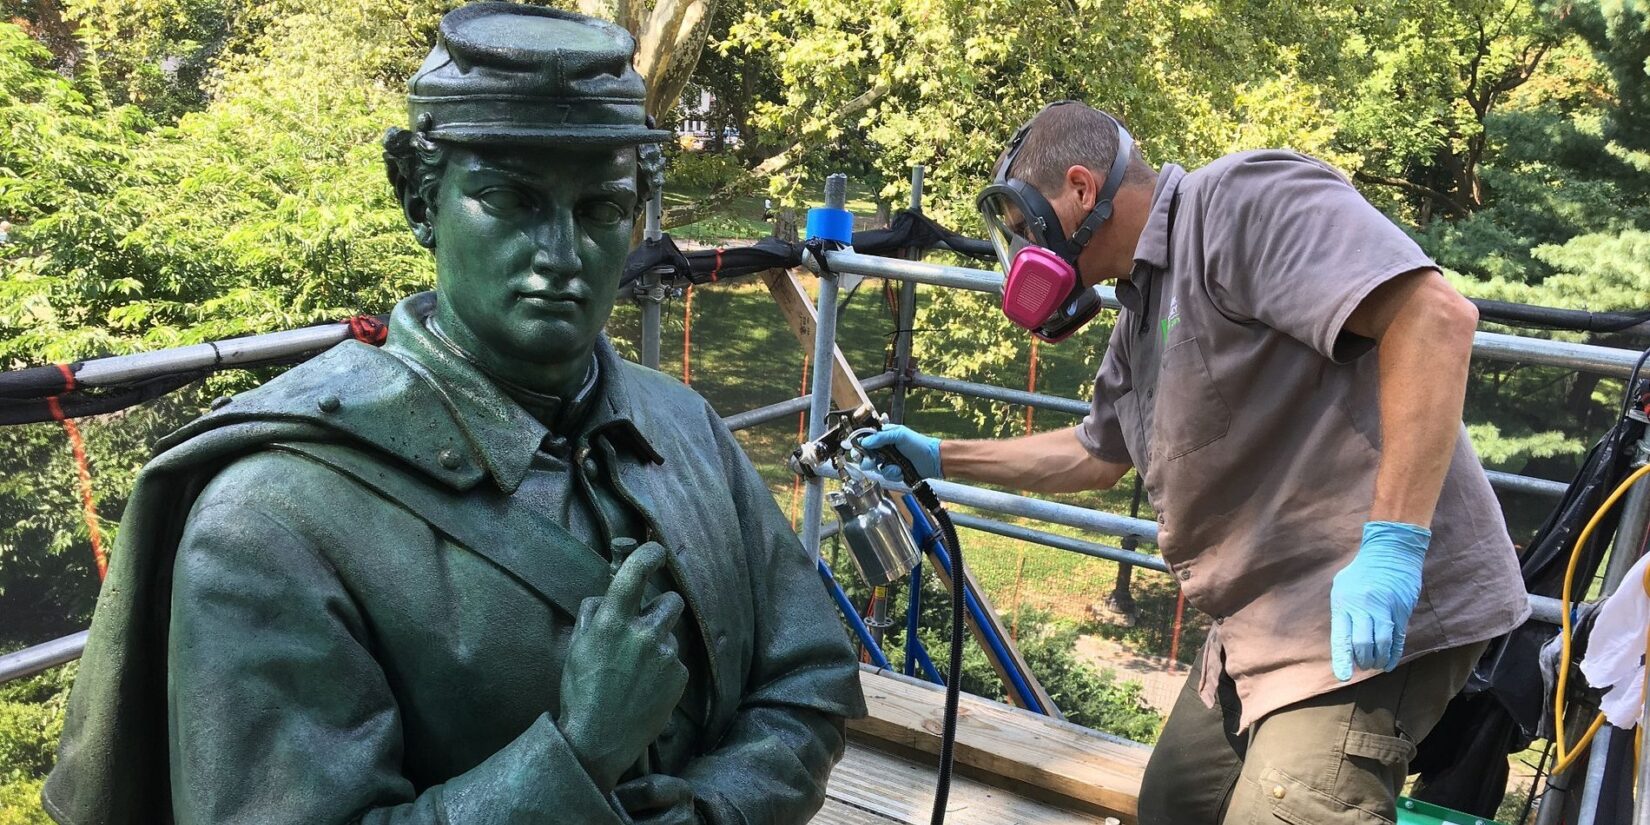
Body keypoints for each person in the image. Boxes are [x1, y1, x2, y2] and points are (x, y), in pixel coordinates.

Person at [42, 5, 864, 824]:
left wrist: (714, 811)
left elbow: (811, 676)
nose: (561, 253)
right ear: (419, 200)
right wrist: (577, 755)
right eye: (511, 199)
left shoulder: (685, 427)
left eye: (602, 209)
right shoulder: (268, 520)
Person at [858, 100, 1528, 824]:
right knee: (1175, 802)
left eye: (1025, 231)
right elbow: (1095, 451)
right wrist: (938, 456)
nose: (1024, 259)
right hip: (1262, 627)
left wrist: (1395, 545)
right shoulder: (1139, 310)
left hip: (1369, 620)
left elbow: (1432, 318)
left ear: (1081, 190)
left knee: (1291, 809)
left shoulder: (1240, 200)